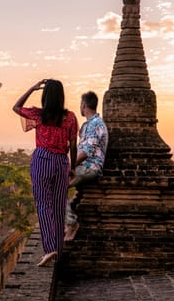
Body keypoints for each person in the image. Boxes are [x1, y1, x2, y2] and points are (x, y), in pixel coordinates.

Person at [13, 79, 78, 267]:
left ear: (45, 96)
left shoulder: (39, 115)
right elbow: (73, 145)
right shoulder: (71, 117)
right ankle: (58, 253)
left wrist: (32, 88)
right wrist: (72, 167)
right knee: (58, 208)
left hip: (42, 159)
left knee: (43, 205)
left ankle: (50, 249)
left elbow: (16, 107)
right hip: (61, 162)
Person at [64, 91, 108, 241]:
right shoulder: (89, 124)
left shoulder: (95, 124)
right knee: (54, 182)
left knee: (55, 185)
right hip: (84, 166)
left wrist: (70, 167)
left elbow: (86, 152)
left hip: (90, 167)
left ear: (83, 105)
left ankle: (71, 223)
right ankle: (68, 222)